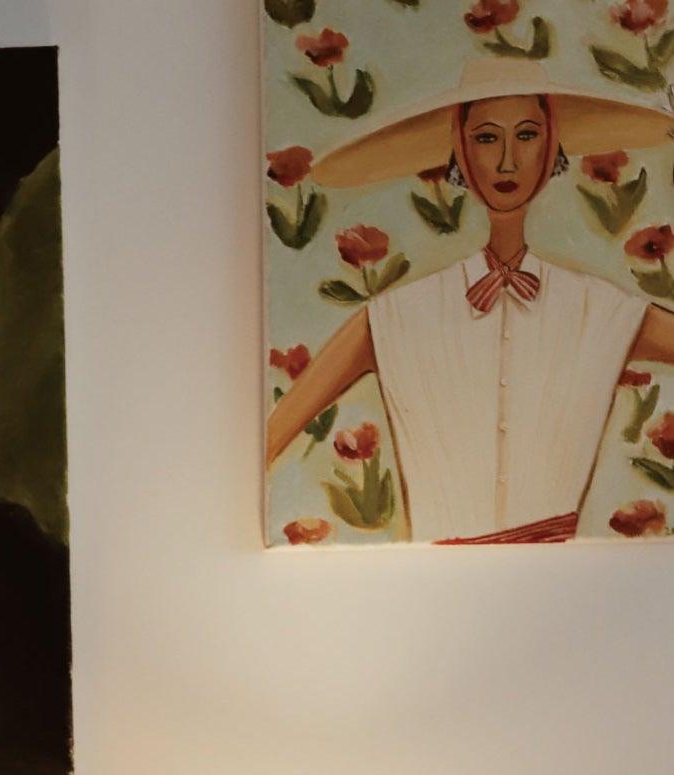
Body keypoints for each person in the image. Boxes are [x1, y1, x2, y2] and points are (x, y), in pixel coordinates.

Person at [268, 60, 674, 544]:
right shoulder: (397, 316)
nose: (507, 162)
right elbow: (264, 441)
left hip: (563, 575)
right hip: (435, 579)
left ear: (552, 145)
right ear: (459, 147)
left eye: (526, 136)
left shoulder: (600, 309)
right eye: (486, 138)